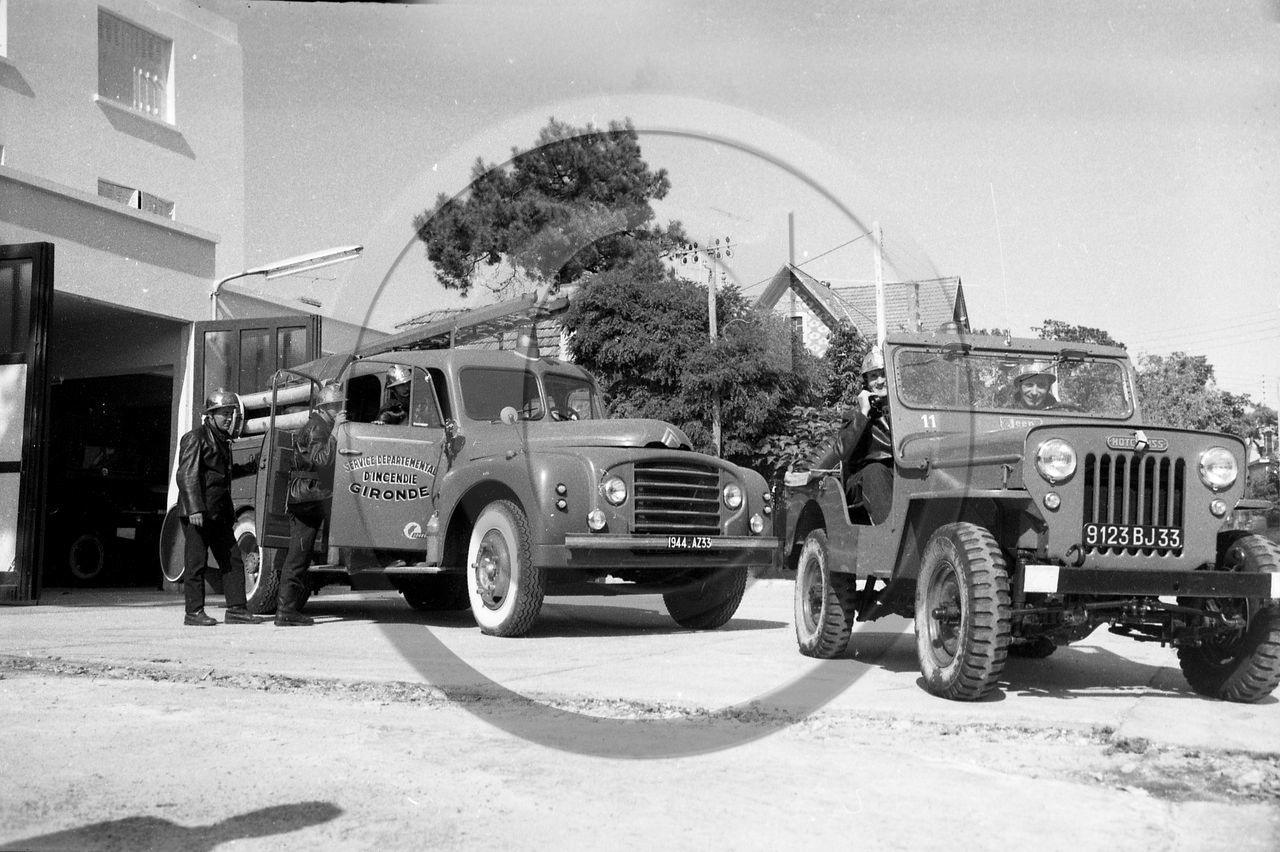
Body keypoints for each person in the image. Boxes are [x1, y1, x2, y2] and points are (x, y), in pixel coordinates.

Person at [175, 389, 263, 626]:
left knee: (233, 559)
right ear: (210, 415)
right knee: (196, 562)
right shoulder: (195, 438)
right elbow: (186, 475)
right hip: (199, 513)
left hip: (218, 513)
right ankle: (193, 612)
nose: (228, 418)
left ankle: (236, 610)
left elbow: (220, 474)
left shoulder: (222, 440)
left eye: (230, 414)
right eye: (224, 414)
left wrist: (249, 468)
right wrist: (194, 509)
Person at [276, 382, 344, 626]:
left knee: (300, 556)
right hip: (308, 498)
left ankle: (287, 610)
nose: (339, 409)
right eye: (335, 406)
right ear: (324, 407)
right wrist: (336, 433)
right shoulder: (317, 428)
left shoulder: (319, 425)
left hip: (310, 497)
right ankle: (285, 611)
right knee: (298, 557)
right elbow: (322, 461)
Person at [811, 348, 894, 524]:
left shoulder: (904, 412)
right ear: (866, 383)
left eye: (883, 374)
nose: (880, 381)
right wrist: (863, 413)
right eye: (874, 376)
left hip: (899, 472)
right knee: (875, 471)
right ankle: (890, 532)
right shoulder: (855, 416)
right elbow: (841, 451)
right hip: (863, 480)